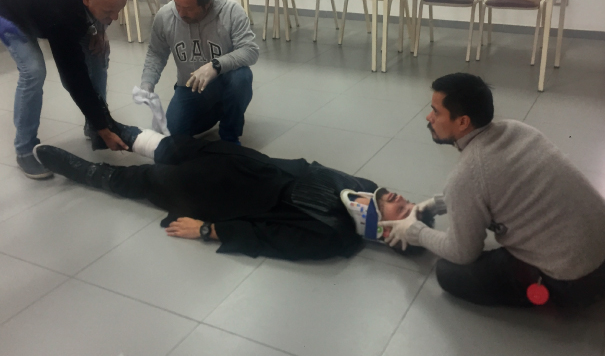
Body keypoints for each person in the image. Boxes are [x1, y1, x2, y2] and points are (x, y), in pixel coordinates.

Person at [380, 73, 605, 308]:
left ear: (462, 122)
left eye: (435, 112)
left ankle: (577, 286)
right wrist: (438, 204)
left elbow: (463, 252)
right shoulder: (517, 130)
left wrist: (416, 232)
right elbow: (498, 185)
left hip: (570, 279)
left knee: (449, 273)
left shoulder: (466, 176)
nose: (428, 118)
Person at [33, 127, 431, 260]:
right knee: (180, 147)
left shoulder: (332, 237)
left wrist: (208, 230)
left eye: (403, 210)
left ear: (387, 233)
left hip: (228, 197)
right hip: (251, 165)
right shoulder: (365, 189)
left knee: (152, 180)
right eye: (408, 201)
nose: (401, 198)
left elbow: (268, 237)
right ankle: (124, 134)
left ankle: (92, 174)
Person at [0, 0, 134, 179]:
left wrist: (100, 28)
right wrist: (104, 128)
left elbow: (107, 7)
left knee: (98, 54)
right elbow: (74, 76)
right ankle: (24, 149)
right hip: (8, 7)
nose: (115, 17)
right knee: (34, 71)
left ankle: (94, 125)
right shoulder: (59, 12)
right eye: (109, 12)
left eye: (117, 10)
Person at [140, 0, 259, 144]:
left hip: (224, 82)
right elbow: (156, 53)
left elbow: (250, 50)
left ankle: (229, 136)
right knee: (171, 133)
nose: (181, 13)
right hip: (190, 87)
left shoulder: (231, 11)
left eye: (188, 8)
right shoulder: (165, 16)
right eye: (177, 4)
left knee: (241, 77)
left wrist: (215, 66)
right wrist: (147, 83)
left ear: (207, 4)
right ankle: (217, 112)